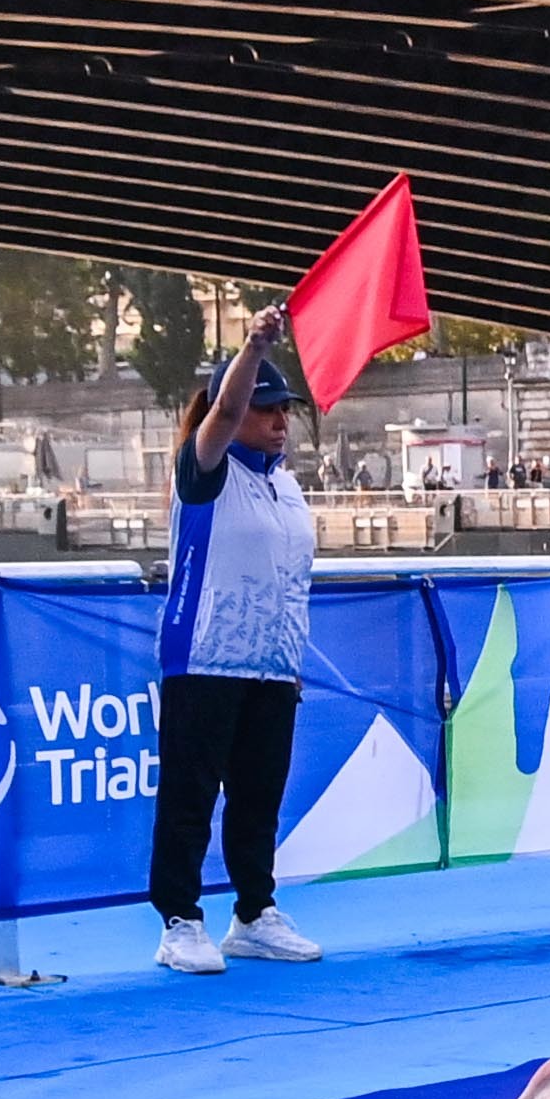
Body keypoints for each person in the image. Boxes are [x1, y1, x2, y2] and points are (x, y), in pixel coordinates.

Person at [149, 308, 321, 975]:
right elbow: (220, 416)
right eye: (266, 407)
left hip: (270, 667)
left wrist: (291, 658)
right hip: (205, 658)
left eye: (285, 410)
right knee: (190, 794)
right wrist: (255, 345)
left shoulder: (286, 487)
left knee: (258, 798)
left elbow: (288, 578)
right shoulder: (207, 471)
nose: (280, 419)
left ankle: (253, 913)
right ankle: (179, 917)